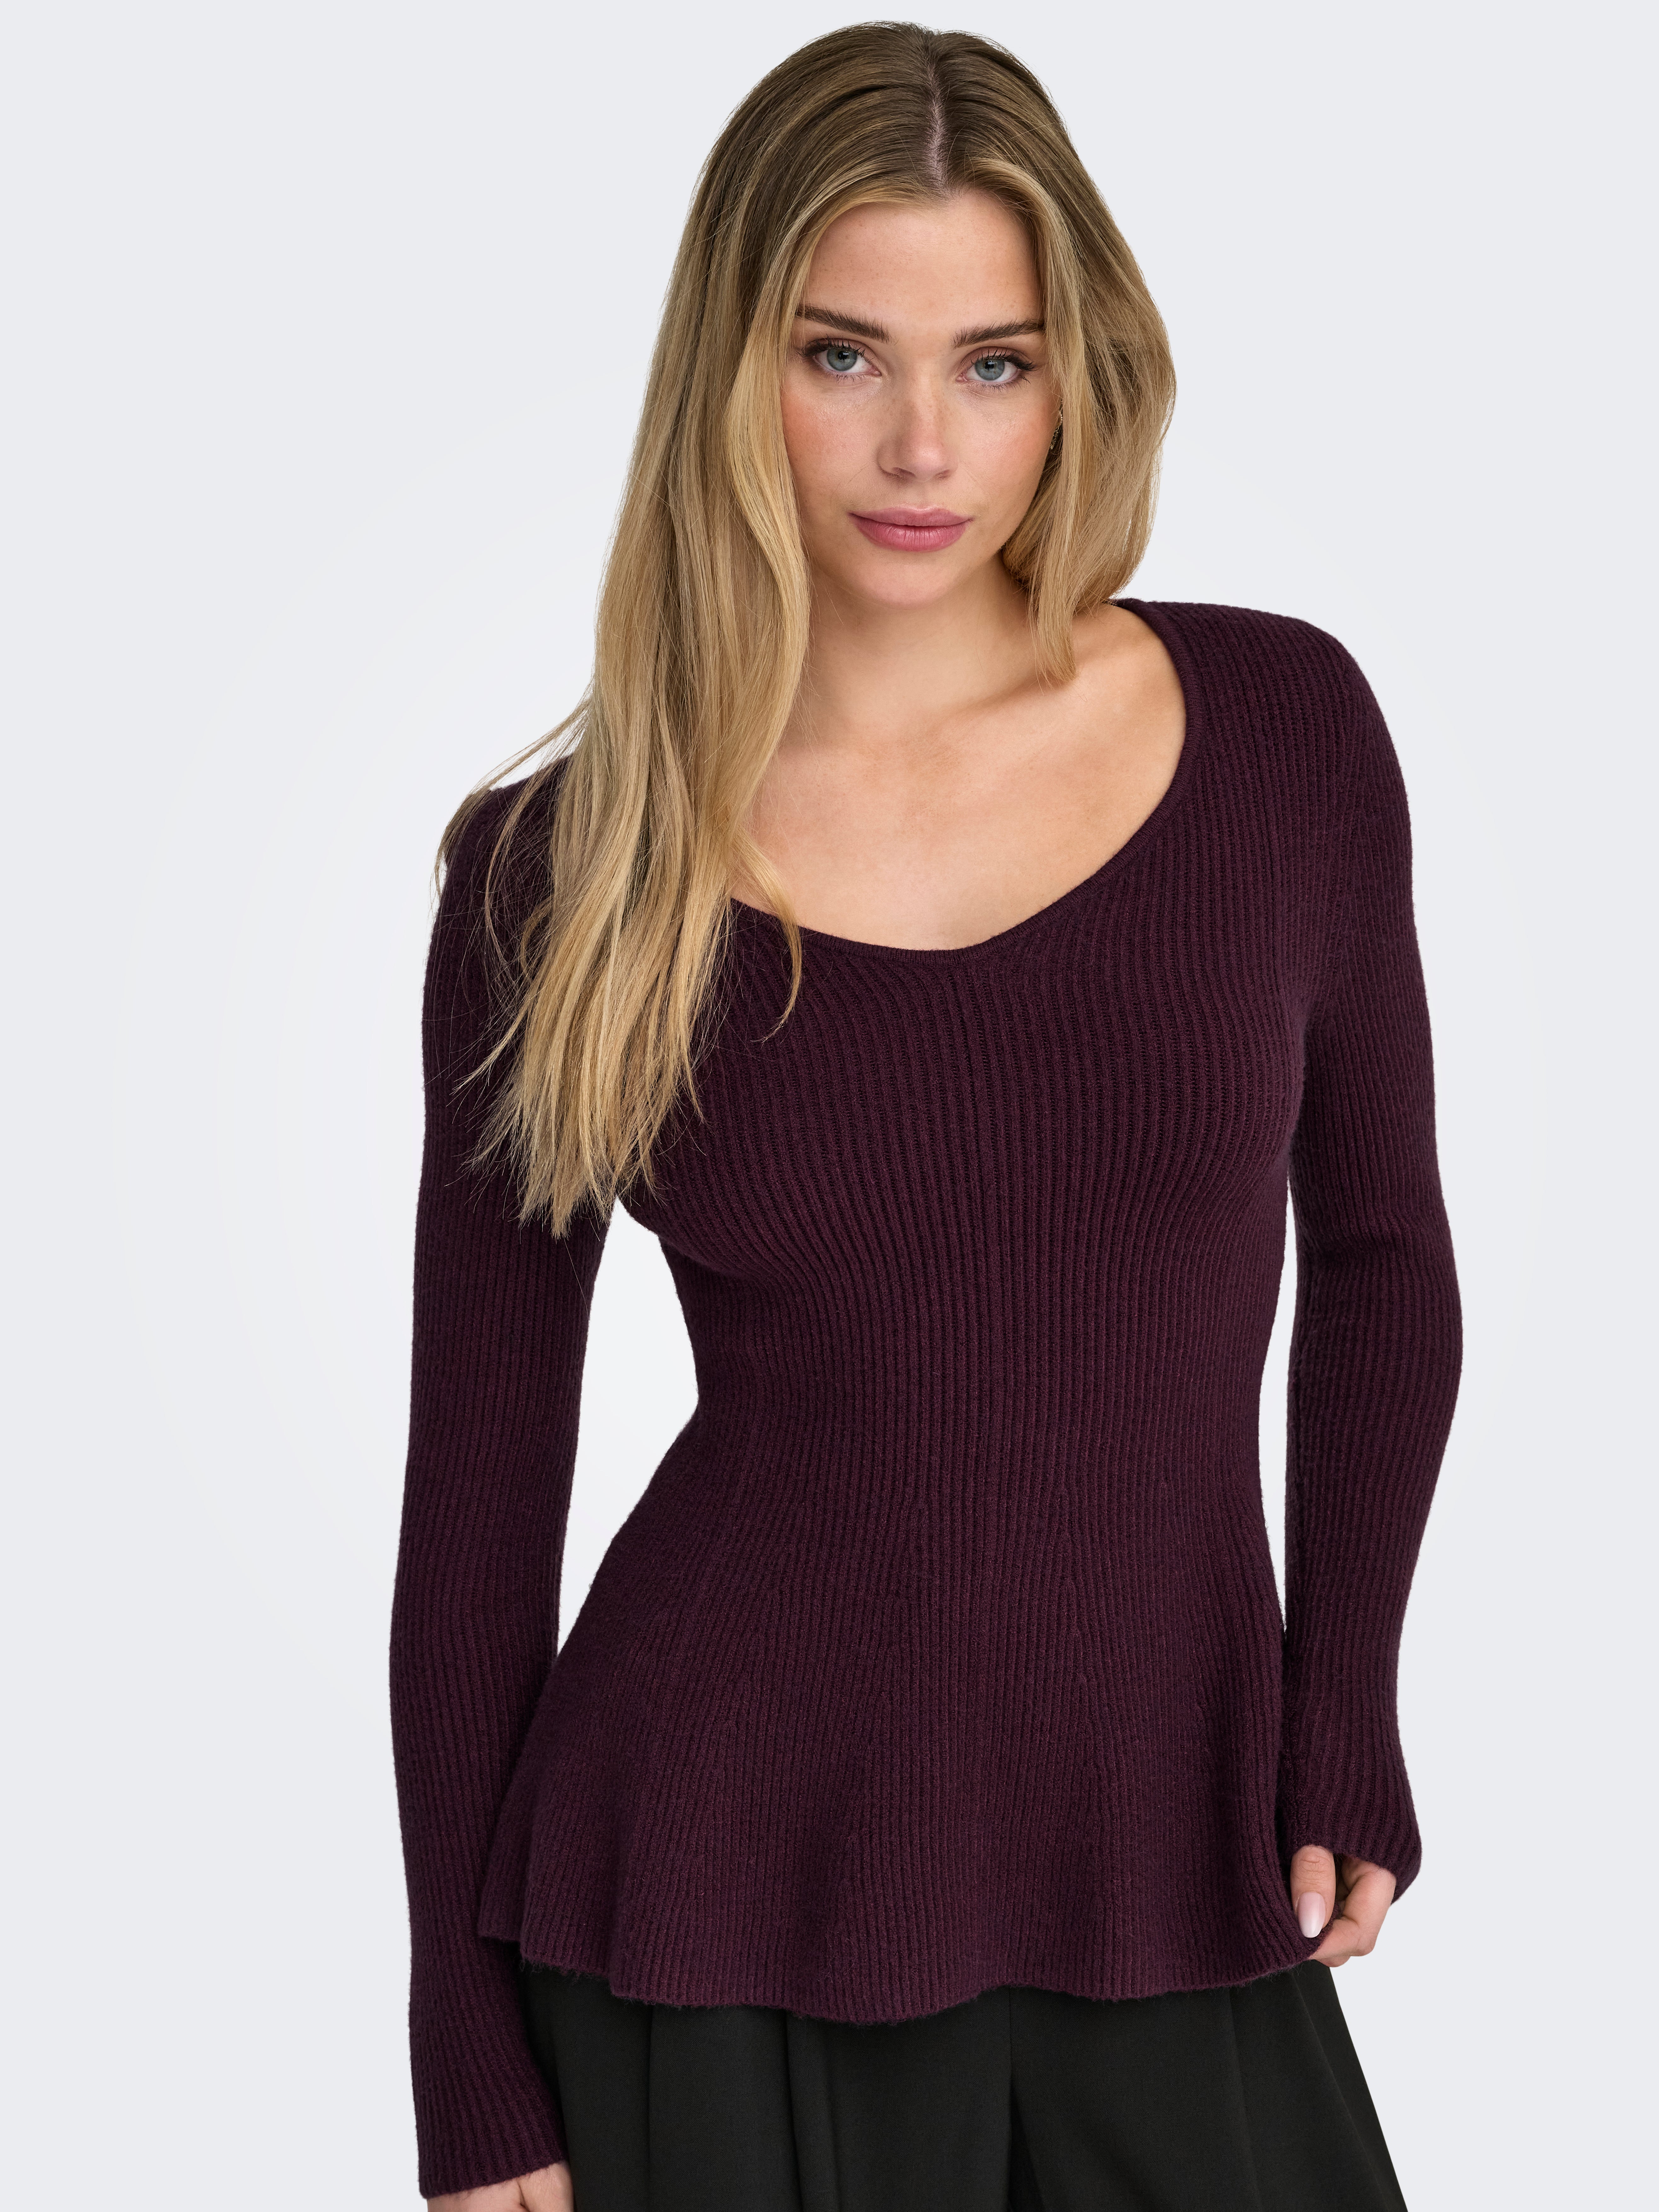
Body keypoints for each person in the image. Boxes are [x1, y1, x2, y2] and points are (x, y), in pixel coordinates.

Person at [389, 23, 1463, 2212]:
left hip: (1179, 1861)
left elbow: (1381, 1256)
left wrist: (1341, 1699)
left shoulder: (1285, 734)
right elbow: (480, 1504)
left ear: (1081, 378)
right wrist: (463, 2054)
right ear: (732, 372)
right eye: (840, 354)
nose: (918, 444)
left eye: (994, 362)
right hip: (710, 1915)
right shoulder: (564, 874)